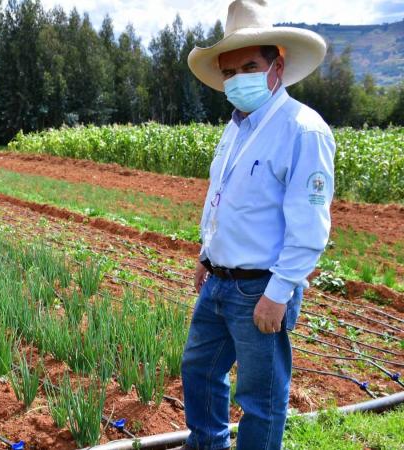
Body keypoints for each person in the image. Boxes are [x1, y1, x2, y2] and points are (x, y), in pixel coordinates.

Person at [179, 1, 335, 449]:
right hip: (218, 281)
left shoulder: (302, 130)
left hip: (261, 288)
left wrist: (279, 293)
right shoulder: (235, 128)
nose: (237, 79)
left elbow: (310, 226)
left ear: (277, 67)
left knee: (261, 397)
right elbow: (222, 196)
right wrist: (206, 253)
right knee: (198, 370)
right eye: (229, 72)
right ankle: (207, 444)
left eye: (249, 67)